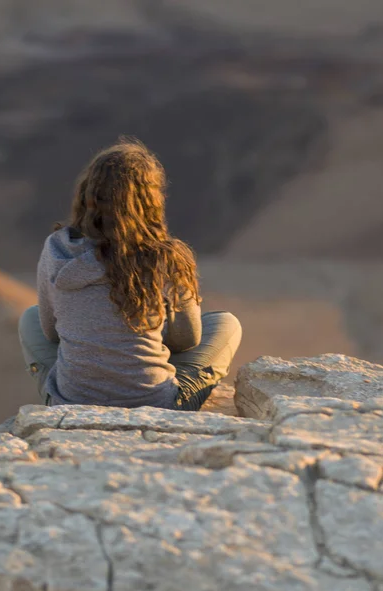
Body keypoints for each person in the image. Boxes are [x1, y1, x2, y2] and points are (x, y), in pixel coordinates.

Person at [18, 138, 242, 411]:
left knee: (30, 317)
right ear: (152, 199)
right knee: (226, 324)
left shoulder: (57, 249)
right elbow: (187, 339)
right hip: (158, 404)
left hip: (71, 402)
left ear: (87, 195)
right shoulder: (165, 256)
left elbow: (51, 333)